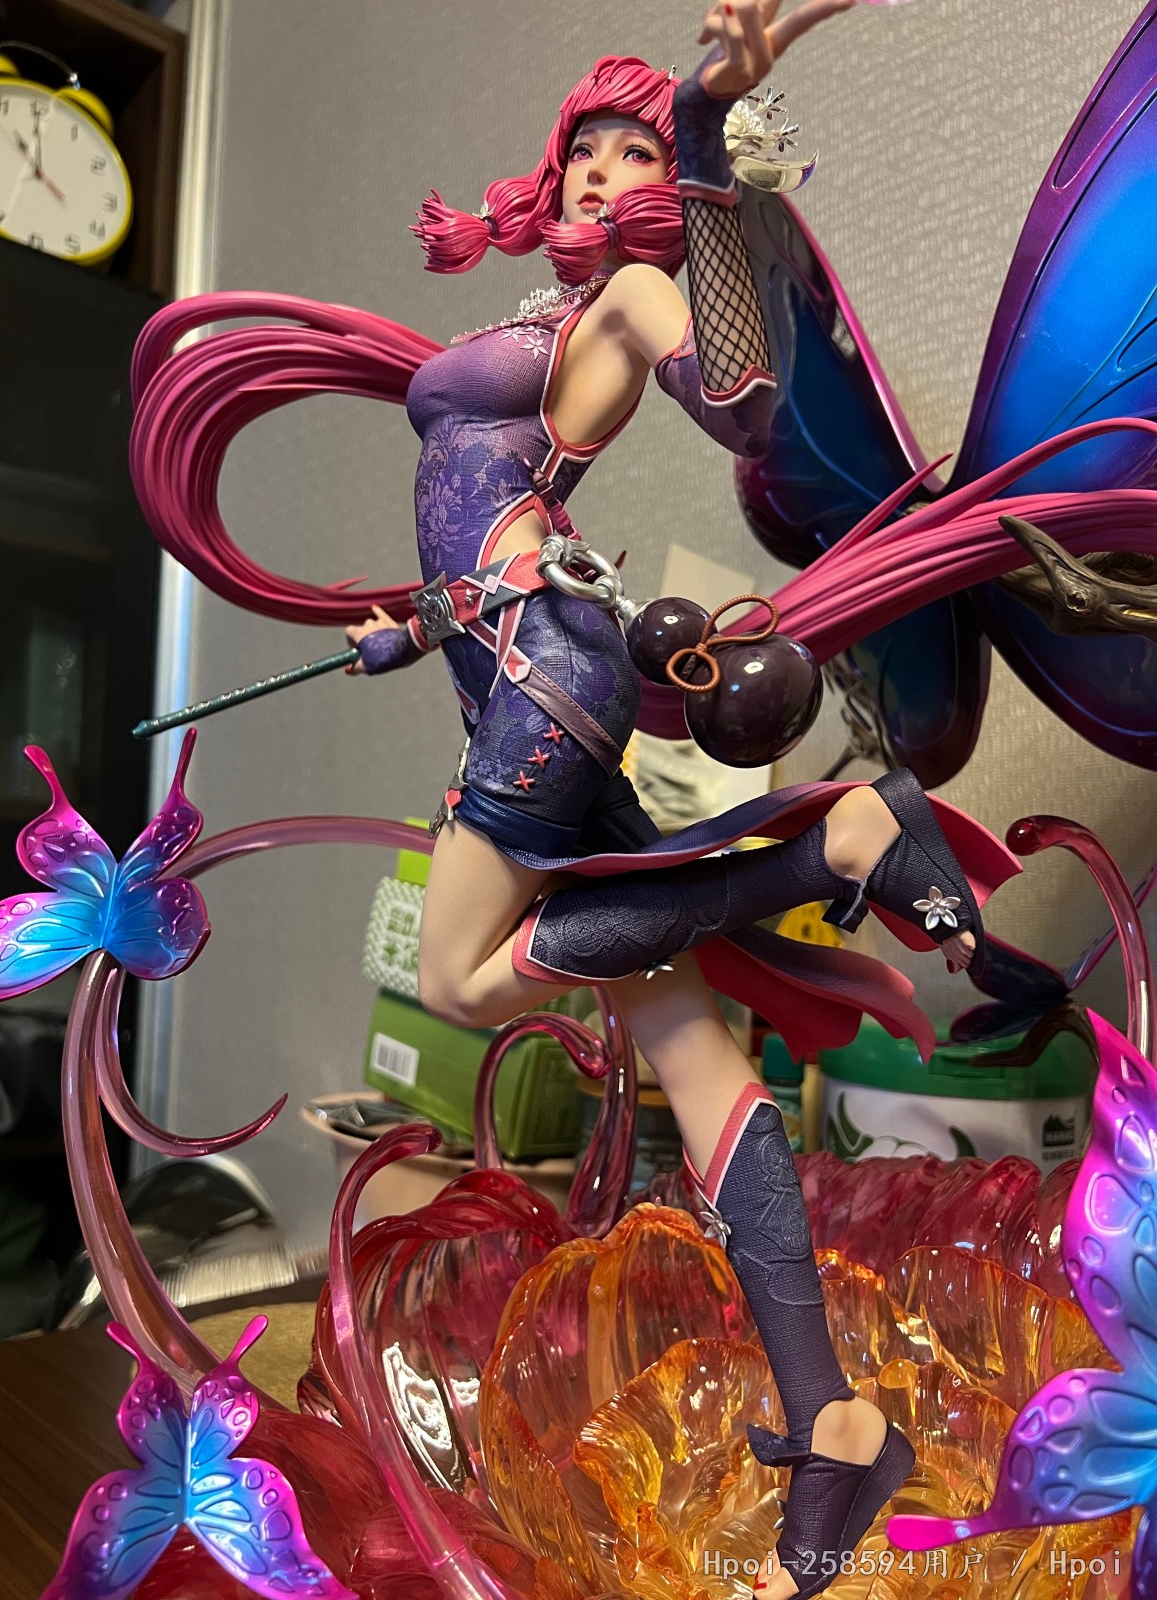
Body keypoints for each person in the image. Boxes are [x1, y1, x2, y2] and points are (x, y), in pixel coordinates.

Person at [129, 4, 1018, 1593]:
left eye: (633, 154)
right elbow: (495, 506)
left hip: (547, 679)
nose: (606, 173)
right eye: (587, 152)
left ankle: (836, 839)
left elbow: (742, 400)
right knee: (689, 1042)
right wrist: (415, 624)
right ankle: (832, 1421)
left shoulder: (637, 293)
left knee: (464, 977)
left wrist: (708, 122)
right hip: (508, 657)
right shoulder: (551, 310)